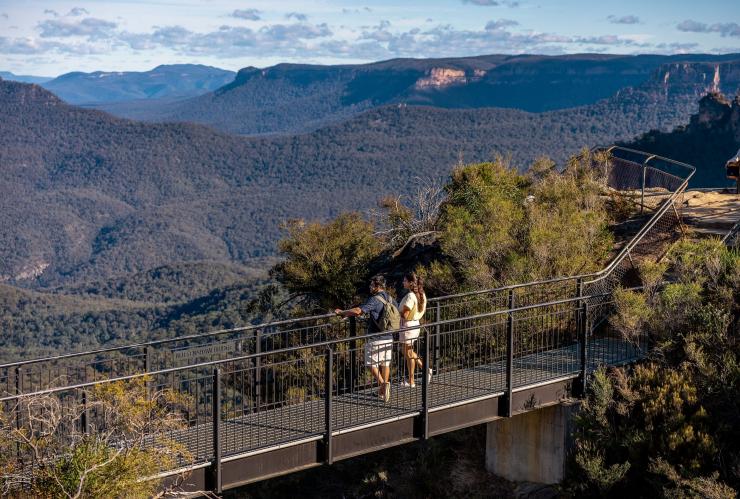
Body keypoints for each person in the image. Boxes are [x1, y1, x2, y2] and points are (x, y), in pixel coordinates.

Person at [335, 275, 398, 402]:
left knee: (370, 363)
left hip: (375, 336)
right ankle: (382, 392)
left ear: (377, 286)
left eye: (372, 285)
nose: (370, 287)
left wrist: (343, 312)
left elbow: (359, 311)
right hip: (389, 335)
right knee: (385, 363)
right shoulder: (391, 299)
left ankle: (383, 385)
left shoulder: (374, 299)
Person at [398, 272, 432, 387]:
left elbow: (406, 315)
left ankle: (425, 370)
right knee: (408, 352)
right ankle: (412, 380)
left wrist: (397, 314)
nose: (403, 282)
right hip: (415, 325)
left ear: (410, 282)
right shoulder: (421, 295)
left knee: (408, 352)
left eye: (405, 281)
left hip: (407, 326)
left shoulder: (410, 296)